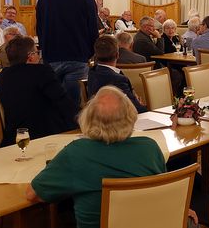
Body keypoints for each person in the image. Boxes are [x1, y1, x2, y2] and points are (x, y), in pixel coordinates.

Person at [26, 86, 188, 228]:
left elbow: (32, 194)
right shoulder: (149, 147)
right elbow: (161, 193)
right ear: (131, 117)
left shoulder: (76, 153)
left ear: (87, 118)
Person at [36, 0, 99, 106]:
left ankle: (55, 129)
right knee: (73, 104)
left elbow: (39, 27)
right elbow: (93, 31)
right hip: (78, 57)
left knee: (52, 102)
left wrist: (44, 49)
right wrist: (89, 53)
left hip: (51, 56)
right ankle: (72, 128)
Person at [0, 36, 79, 146]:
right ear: (30, 56)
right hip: (45, 134)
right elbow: (62, 101)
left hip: (14, 136)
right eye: (37, 52)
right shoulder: (41, 72)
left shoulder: (1, 77)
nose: (39, 57)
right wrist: (82, 119)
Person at [87, 36, 147, 113]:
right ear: (117, 55)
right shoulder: (118, 79)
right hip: (116, 119)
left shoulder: (92, 72)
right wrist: (142, 106)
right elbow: (135, 109)